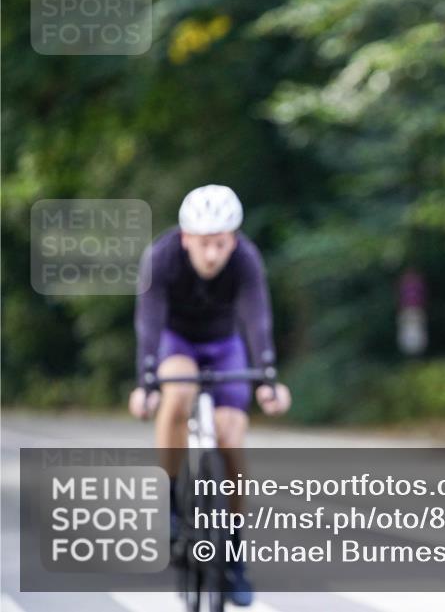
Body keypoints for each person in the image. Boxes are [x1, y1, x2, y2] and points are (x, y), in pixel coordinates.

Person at [128, 184, 291, 606]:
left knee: (231, 435)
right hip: (177, 343)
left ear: (232, 239)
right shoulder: (161, 257)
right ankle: (170, 504)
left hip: (224, 346)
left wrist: (268, 378)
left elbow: (257, 317)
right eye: (204, 244)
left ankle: (234, 557)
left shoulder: (246, 259)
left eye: (220, 244)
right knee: (177, 393)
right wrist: (146, 384)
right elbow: (148, 322)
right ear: (186, 238)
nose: (213, 254)